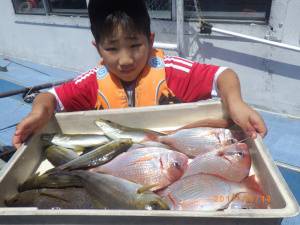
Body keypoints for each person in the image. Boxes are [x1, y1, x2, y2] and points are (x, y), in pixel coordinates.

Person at [13, 0, 267, 149]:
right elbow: (50, 98)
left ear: (150, 39)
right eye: (112, 48)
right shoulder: (92, 81)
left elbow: (223, 75)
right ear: (97, 48)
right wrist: (39, 113)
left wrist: (235, 103)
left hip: (172, 154)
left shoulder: (170, 71)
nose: (125, 60)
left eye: (135, 46)